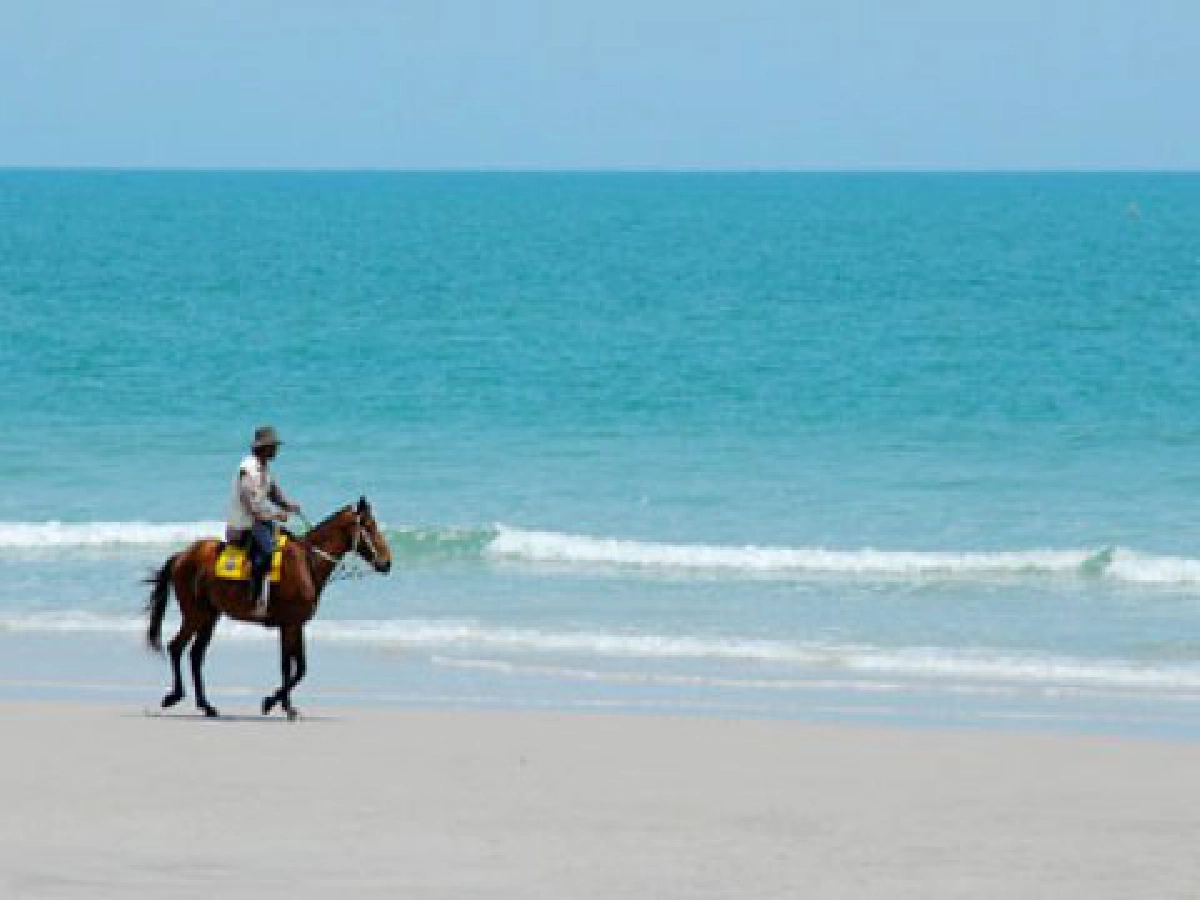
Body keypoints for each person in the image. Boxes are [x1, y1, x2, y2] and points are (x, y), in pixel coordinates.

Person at [226, 426, 303, 617]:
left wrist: (288, 505)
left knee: (288, 542)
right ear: (263, 448)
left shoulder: (264, 469)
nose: (276, 450)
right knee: (269, 551)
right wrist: (277, 515)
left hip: (259, 522)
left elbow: (274, 493)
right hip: (244, 525)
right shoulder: (248, 470)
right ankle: (257, 600)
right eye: (273, 446)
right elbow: (254, 509)